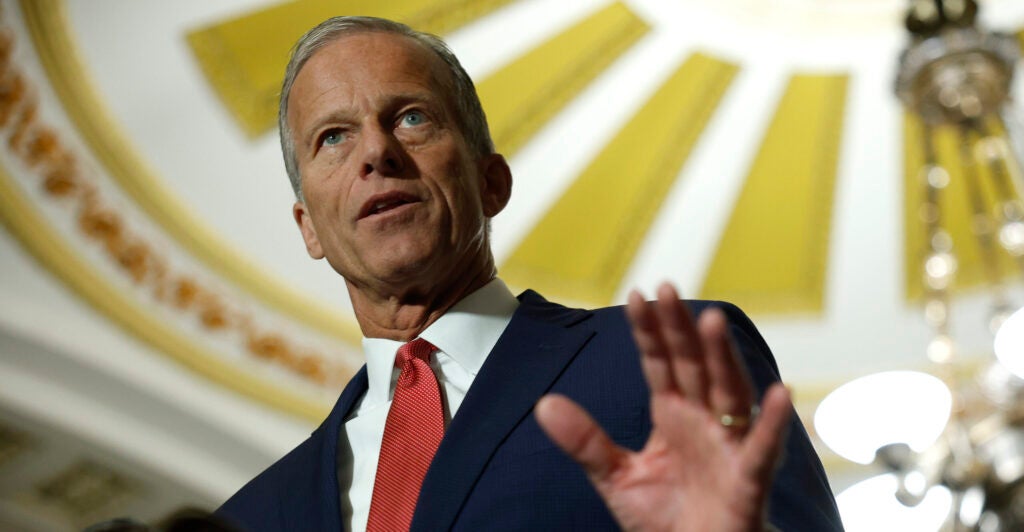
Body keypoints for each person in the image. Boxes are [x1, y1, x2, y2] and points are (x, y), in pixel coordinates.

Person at [217, 16, 843, 531]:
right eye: (332, 137)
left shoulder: (668, 364)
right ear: (308, 227)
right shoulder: (250, 518)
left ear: (491, 182)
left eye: (411, 117)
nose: (377, 152)